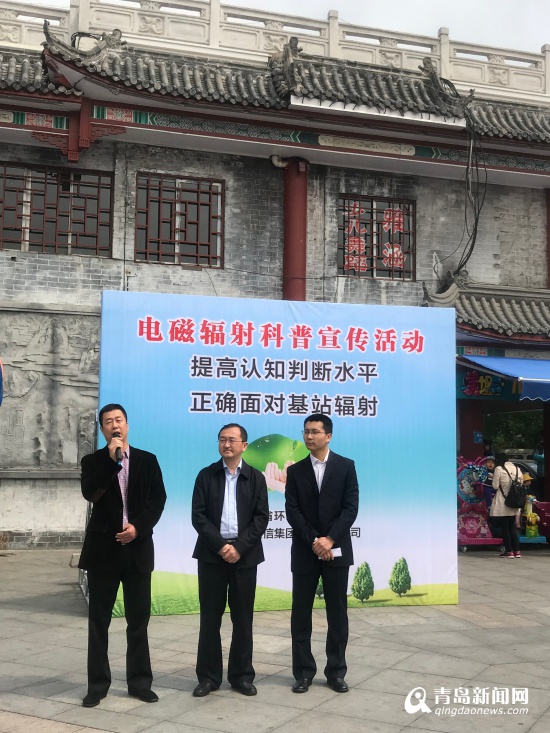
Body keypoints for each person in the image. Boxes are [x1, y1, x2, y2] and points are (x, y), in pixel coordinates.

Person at [79, 404, 166, 707]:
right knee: (98, 621)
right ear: (103, 429)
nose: (114, 425)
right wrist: (111, 461)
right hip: (103, 553)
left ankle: (139, 683)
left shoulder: (147, 460)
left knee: (138, 621)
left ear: (127, 425)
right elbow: (91, 493)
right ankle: (97, 686)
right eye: (108, 422)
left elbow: (158, 500)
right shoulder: (92, 462)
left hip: (137, 550)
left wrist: (138, 528)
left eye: (119, 420)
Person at [191, 423, 269, 698]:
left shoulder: (256, 478)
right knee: (210, 619)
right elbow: (198, 516)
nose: (226, 444)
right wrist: (222, 546)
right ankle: (208, 678)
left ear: (244, 445)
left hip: (245, 557)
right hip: (212, 556)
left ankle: (241, 676)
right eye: (222, 439)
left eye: (232, 440)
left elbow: (261, 518)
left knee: (243, 619)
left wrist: (239, 548)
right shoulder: (206, 475)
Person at [285, 413, 359, 694]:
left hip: (337, 549)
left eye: (314, 431)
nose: (309, 436)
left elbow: (350, 508)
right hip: (305, 551)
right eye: (306, 431)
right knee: (300, 614)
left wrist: (330, 539)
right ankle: (303, 672)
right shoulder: (296, 471)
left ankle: (336, 672)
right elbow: (293, 511)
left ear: (328, 436)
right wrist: (315, 541)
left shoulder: (346, 466)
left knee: (337, 614)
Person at [491, 453, 523, 559]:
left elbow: (495, 486)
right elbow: (521, 484)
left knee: (505, 528)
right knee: (512, 527)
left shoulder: (499, 469)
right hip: (514, 502)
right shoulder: (517, 469)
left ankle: (509, 551)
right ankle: (517, 551)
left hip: (503, 501)